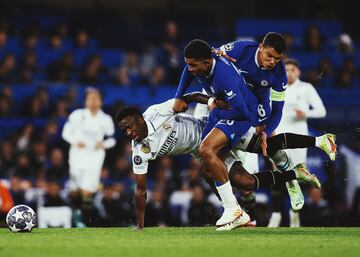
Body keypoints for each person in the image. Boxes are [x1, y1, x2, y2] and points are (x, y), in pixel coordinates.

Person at [115, 93, 331, 231]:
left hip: (213, 129)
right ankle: (296, 174)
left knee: (264, 146)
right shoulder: (140, 151)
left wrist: (210, 102)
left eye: (129, 126)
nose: (128, 132)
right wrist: (141, 227)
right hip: (203, 151)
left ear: (140, 119)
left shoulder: (156, 112)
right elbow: (140, 190)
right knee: (245, 182)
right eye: (124, 130)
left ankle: (321, 140)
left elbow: (187, 97)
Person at [172, 39, 261, 228]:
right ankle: (239, 214)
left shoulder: (224, 77)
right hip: (223, 112)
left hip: (243, 117)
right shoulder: (203, 63)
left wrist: (213, 107)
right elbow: (187, 72)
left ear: (207, 62)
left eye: (193, 65)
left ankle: (234, 210)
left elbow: (242, 112)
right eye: (188, 63)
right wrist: (179, 95)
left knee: (206, 150)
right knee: (207, 169)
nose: (190, 69)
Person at [268, 58, 327, 227]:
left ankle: (295, 214)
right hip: (279, 137)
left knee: (297, 174)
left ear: (298, 72)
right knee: (278, 175)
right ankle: (277, 214)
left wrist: (305, 113)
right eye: (286, 70)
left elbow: (321, 111)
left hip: (299, 138)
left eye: (292, 69)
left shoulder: (306, 88)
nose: (289, 73)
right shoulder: (277, 87)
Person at [62, 87, 115, 226]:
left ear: (101, 101)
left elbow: (112, 139)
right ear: (85, 101)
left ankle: (84, 220)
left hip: (94, 159)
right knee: (75, 189)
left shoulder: (106, 119)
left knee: (88, 190)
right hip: (77, 157)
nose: (93, 101)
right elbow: (65, 132)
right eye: (90, 98)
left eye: (96, 98)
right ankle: (76, 215)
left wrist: (104, 144)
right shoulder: (77, 115)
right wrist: (75, 141)